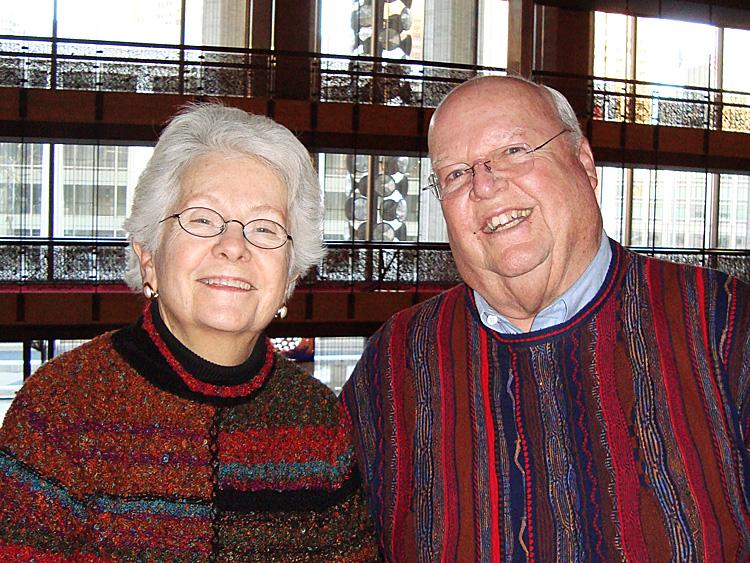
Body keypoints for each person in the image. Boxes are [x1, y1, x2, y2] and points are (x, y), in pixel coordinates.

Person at [342, 75, 750, 561]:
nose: (485, 186)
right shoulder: (396, 359)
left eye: (515, 150)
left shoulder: (721, 320)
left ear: (583, 163)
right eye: (455, 174)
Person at [0, 103, 377, 561]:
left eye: (265, 227)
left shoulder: (319, 420)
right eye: (202, 219)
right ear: (148, 257)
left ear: (290, 279)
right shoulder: (60, 409)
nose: (234, 247)